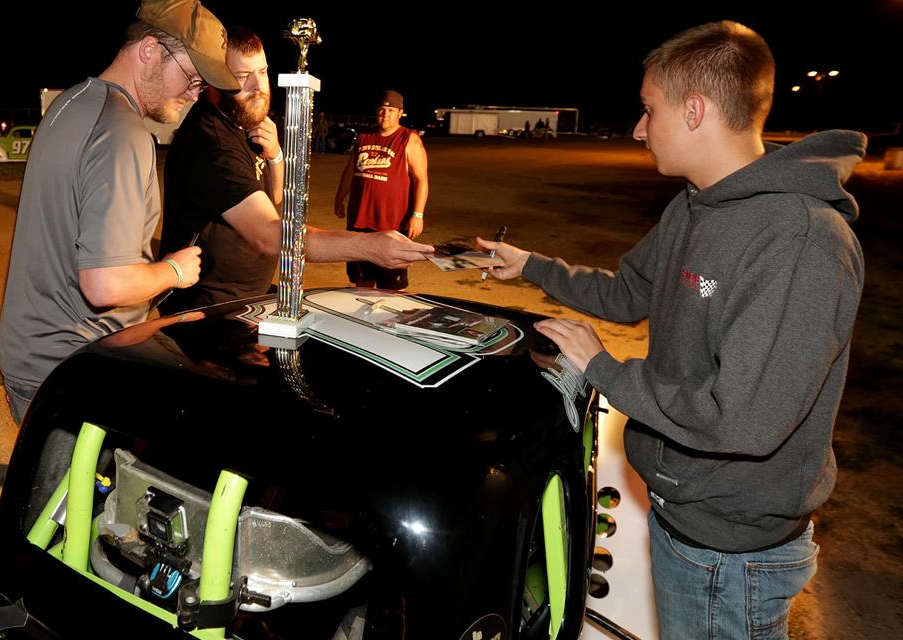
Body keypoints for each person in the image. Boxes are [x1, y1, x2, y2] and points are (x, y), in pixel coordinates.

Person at [480, 21, 864, 640]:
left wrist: (603, 368)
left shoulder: (801, 241)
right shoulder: (693, 203)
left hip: (730, 553)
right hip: (683, 514)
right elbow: (630, 292)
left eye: (647, 110)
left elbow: (742, 419)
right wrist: (531, 266)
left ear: (695, 110)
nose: (637, 128)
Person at [0, 0, 240, 425]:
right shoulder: (123, 133)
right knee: (85, 490)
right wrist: (175, 272)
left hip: (32, 352)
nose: (195, 93)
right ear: (148, 50)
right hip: (71, 364)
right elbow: (106, 284)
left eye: (202, 86)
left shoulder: (73, 102)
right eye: (192, 77)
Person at [160, 29, 433, 312]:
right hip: (207, 308)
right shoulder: (212, 144)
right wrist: (368, 246)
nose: (259, 87)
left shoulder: (244, 124)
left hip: (247, 295)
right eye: (242, 77)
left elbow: (274, 200)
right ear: (213, 82)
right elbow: (268, 234)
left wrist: (276, 155)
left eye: (263, 71)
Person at [334, 90, 429, 290]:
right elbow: (350, 170)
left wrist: (417, 215)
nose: (385, 114)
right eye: (382, 109)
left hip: (391, 225)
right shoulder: (363, 139)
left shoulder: (408, 139)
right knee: (362, 284)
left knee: (391, 288)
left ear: (400, 113)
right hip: (359, 224)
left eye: (391, 110)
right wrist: (339, 198)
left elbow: (421, 179)